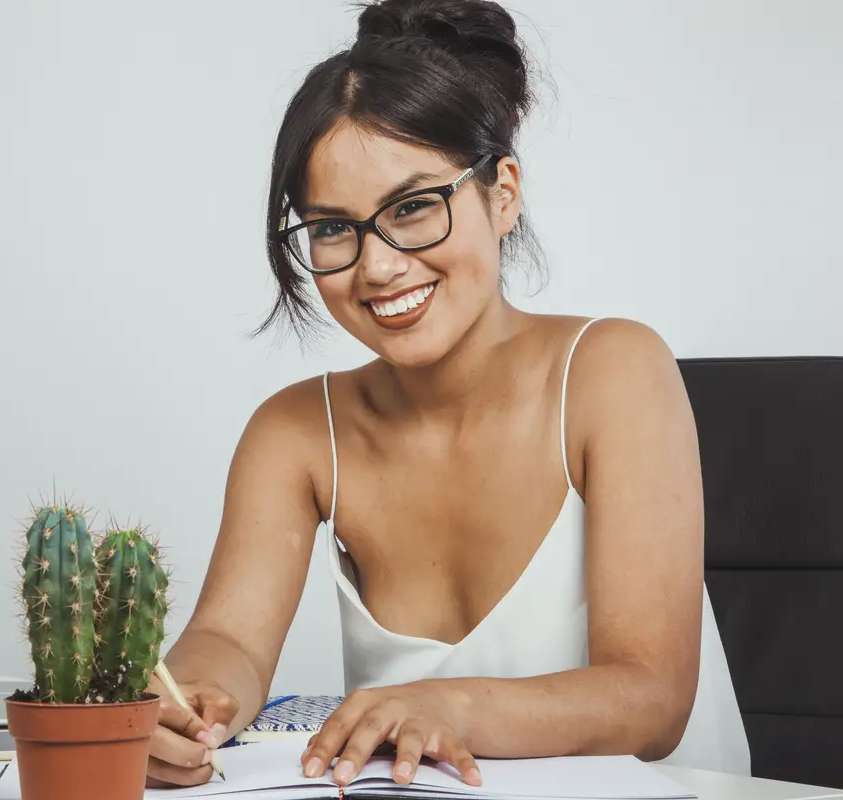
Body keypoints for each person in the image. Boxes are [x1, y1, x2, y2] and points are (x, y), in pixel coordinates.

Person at [145, 0, 751, 790]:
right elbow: (228, 636)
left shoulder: (613, 371)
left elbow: (652, 696)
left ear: (503, 193)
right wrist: (192, 703)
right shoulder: (295, 433)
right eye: (333, 228)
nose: (379, 266)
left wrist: (448, 706)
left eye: (412, 208)